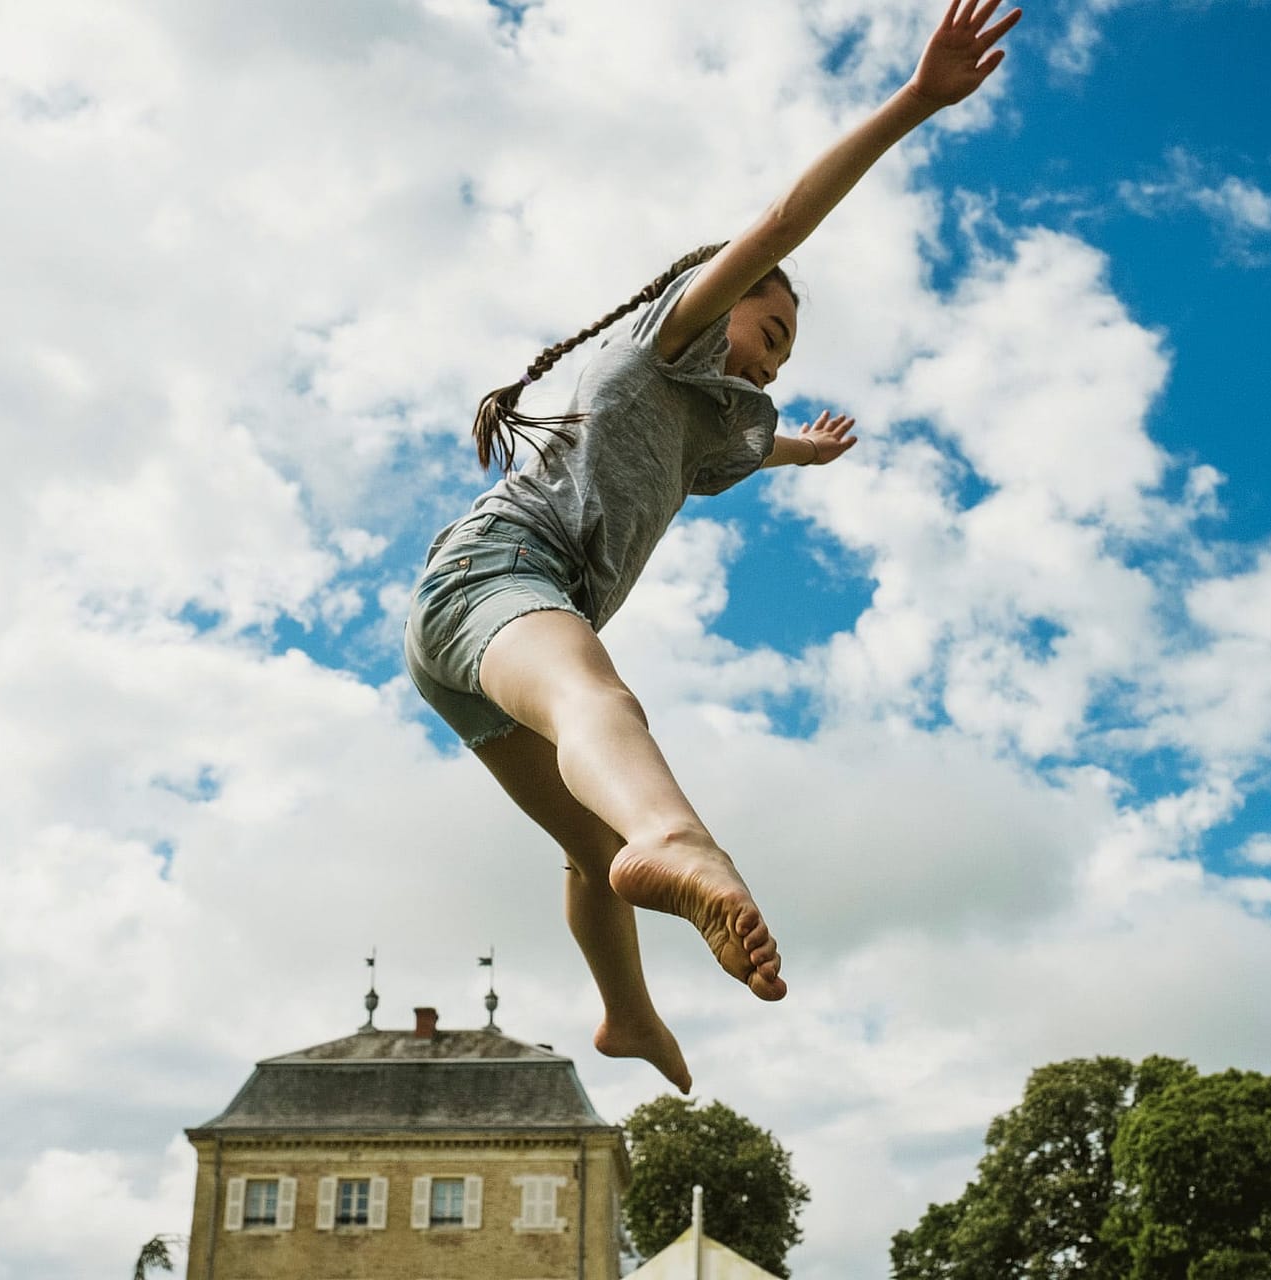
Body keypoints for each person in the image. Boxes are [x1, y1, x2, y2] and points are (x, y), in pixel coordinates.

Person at [404, 0, 1022, 1091]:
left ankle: (628, 1017)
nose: (774, 361)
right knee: (601, 703)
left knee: (594, 842)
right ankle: (684, 842)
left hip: (474, 655)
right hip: (495, 576)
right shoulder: (668, 342)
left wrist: (802, 450)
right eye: (770, 329)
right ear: (720, 298)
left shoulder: (706, 429)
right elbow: (780, 224)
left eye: (784, 357)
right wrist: (916, 103)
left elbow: (746, 448)